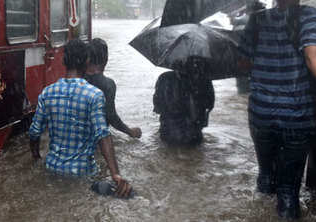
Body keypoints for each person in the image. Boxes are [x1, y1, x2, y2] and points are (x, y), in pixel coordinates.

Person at [239, 0, 316, 219]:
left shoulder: (257, 20)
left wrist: (252, 29)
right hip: (296, 116)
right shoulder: (308, 16)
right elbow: (312, 57)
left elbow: (242, 65)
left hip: (261, 114)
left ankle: (260, 214)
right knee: (288, 192)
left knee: (266, 178)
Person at [28, 39, 133, 198]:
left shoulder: (47, 92)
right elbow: (103, 135)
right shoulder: (94, 95)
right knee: (131, 196)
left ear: (64, 61)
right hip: (83, 173)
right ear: (87, 61)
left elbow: (34, 132)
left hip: (52, 170)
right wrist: (115, 174)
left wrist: (36, 158)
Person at [85, 38, 142, 139]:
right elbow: (111, 116)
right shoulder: (108, 85)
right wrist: (130, 132)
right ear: (106, 59)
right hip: (96, 136)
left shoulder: (78, 79)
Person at [152, 62, 215, 145]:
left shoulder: (164, 78)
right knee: (194, 155)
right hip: (194, 134)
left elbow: (157, 105)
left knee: (168, 153)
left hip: (168, 131)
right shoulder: (204, 79)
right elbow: (210, 104)